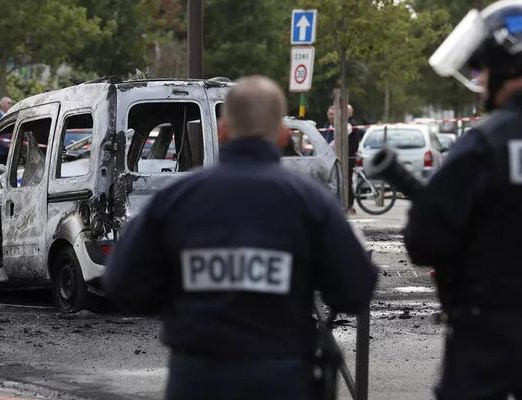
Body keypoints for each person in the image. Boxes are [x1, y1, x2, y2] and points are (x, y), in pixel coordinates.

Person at [105, 75, 377, 400]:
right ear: (282, 135)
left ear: (222, 130)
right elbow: (355, 289)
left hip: (198, 378)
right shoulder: (311, 202)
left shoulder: (175, 199)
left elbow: (124, 284)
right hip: (281, 377)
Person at [405, 1, 522, 398]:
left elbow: (424, 241)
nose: (480, 78)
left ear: (505, 64)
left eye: (482, 66)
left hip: (488, 331)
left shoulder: (484, 145)